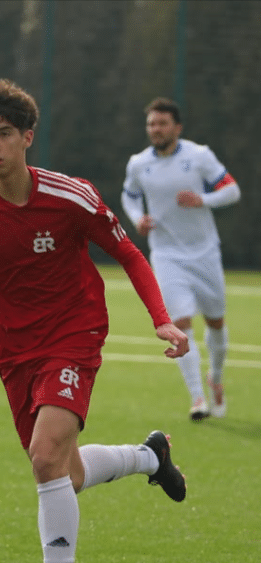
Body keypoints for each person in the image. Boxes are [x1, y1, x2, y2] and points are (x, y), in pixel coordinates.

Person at [0, 79, 189, 563]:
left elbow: (128, 253)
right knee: (63, 472)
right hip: (14, 348)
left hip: (75, 332)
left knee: (44, 455)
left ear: (27, 137)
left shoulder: (71, 196)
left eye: (4, 133)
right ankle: (150, 456)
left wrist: (161, 319)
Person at [121, 97, 240, 421]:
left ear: (177, 127)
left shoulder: (199, 155)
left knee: (215, 321)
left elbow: (231, 190)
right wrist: (138, 218)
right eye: (151, 124)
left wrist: (202, 199)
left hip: (205, 252)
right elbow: (129, 196)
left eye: (162, 123)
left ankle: (215, 378)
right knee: (181, 322)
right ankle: (198, 398)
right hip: (166, 255)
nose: (155, 129)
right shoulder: (138, 163)